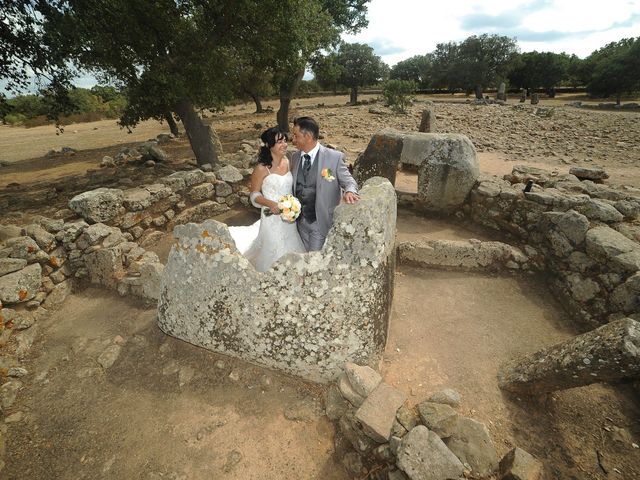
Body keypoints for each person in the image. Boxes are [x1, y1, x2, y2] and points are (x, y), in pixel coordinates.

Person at [228, 127, 305, 272]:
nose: (284, 144)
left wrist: (292, 206)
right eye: (279, 142)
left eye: (285, 141)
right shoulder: (261, 169)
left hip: (289, 217)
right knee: (273, 248)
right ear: (269, 145)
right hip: (271, 217)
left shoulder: (287, 161)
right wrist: (271, 204)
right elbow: (254, 195)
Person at [291, 116, 359, 251]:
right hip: (299, 223)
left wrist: (350, 191)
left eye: (296, 135)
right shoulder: (295, 157)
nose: (293, 140)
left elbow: (349, 181)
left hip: (320, 222)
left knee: (314, 262)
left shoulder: (334, 157)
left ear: (308, 136)